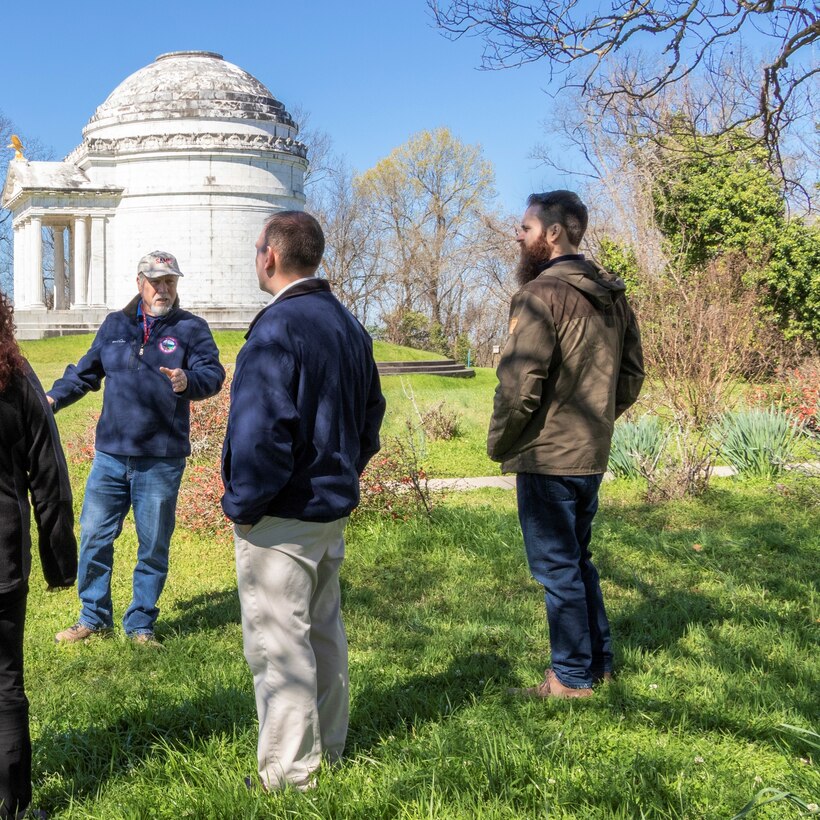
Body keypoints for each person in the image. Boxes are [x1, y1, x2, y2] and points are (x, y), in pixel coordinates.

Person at [221, 211, 385, 790]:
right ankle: (329, 749)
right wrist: (340, 472)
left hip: (282, 513)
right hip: (327, 507)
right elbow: (371, 419)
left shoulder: (277, 329)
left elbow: (260, 433)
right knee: (322, 633)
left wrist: (244, 502)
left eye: (256, 248)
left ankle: (291, 774)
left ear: (270, 256)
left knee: (281, 645)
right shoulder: (348, 324)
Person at [488, 191, 644, 698]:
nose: (519, 234)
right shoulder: (612, 294)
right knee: (577, 560)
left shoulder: (541, 295)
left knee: (558, 568)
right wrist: (597, 421)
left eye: (526, 227)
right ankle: (599, 665)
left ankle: (571, 678)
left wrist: (500, 442)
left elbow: (519, 384)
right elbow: (631, 375)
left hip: (549, 455)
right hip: (589, 452)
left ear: (554, 234)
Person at [49, 251, 225, 644]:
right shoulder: (115, 325)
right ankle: (93, 618)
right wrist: (52, 399)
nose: (163, 288)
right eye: (156, 281)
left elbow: (213, 374)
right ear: (140, 282)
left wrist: (187, 380)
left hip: (160, 460)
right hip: (111, 455)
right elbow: (86, 373)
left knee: (153, 546)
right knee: (94, 536)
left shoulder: (191, 328)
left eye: (170, 281)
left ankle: (140, 624)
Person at [0, 291, 77, 819]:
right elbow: (48, 475)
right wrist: (59, 563)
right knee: (5, 681)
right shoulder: (16, 375)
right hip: (2, 556)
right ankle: (13, 807)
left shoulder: (19, 378)